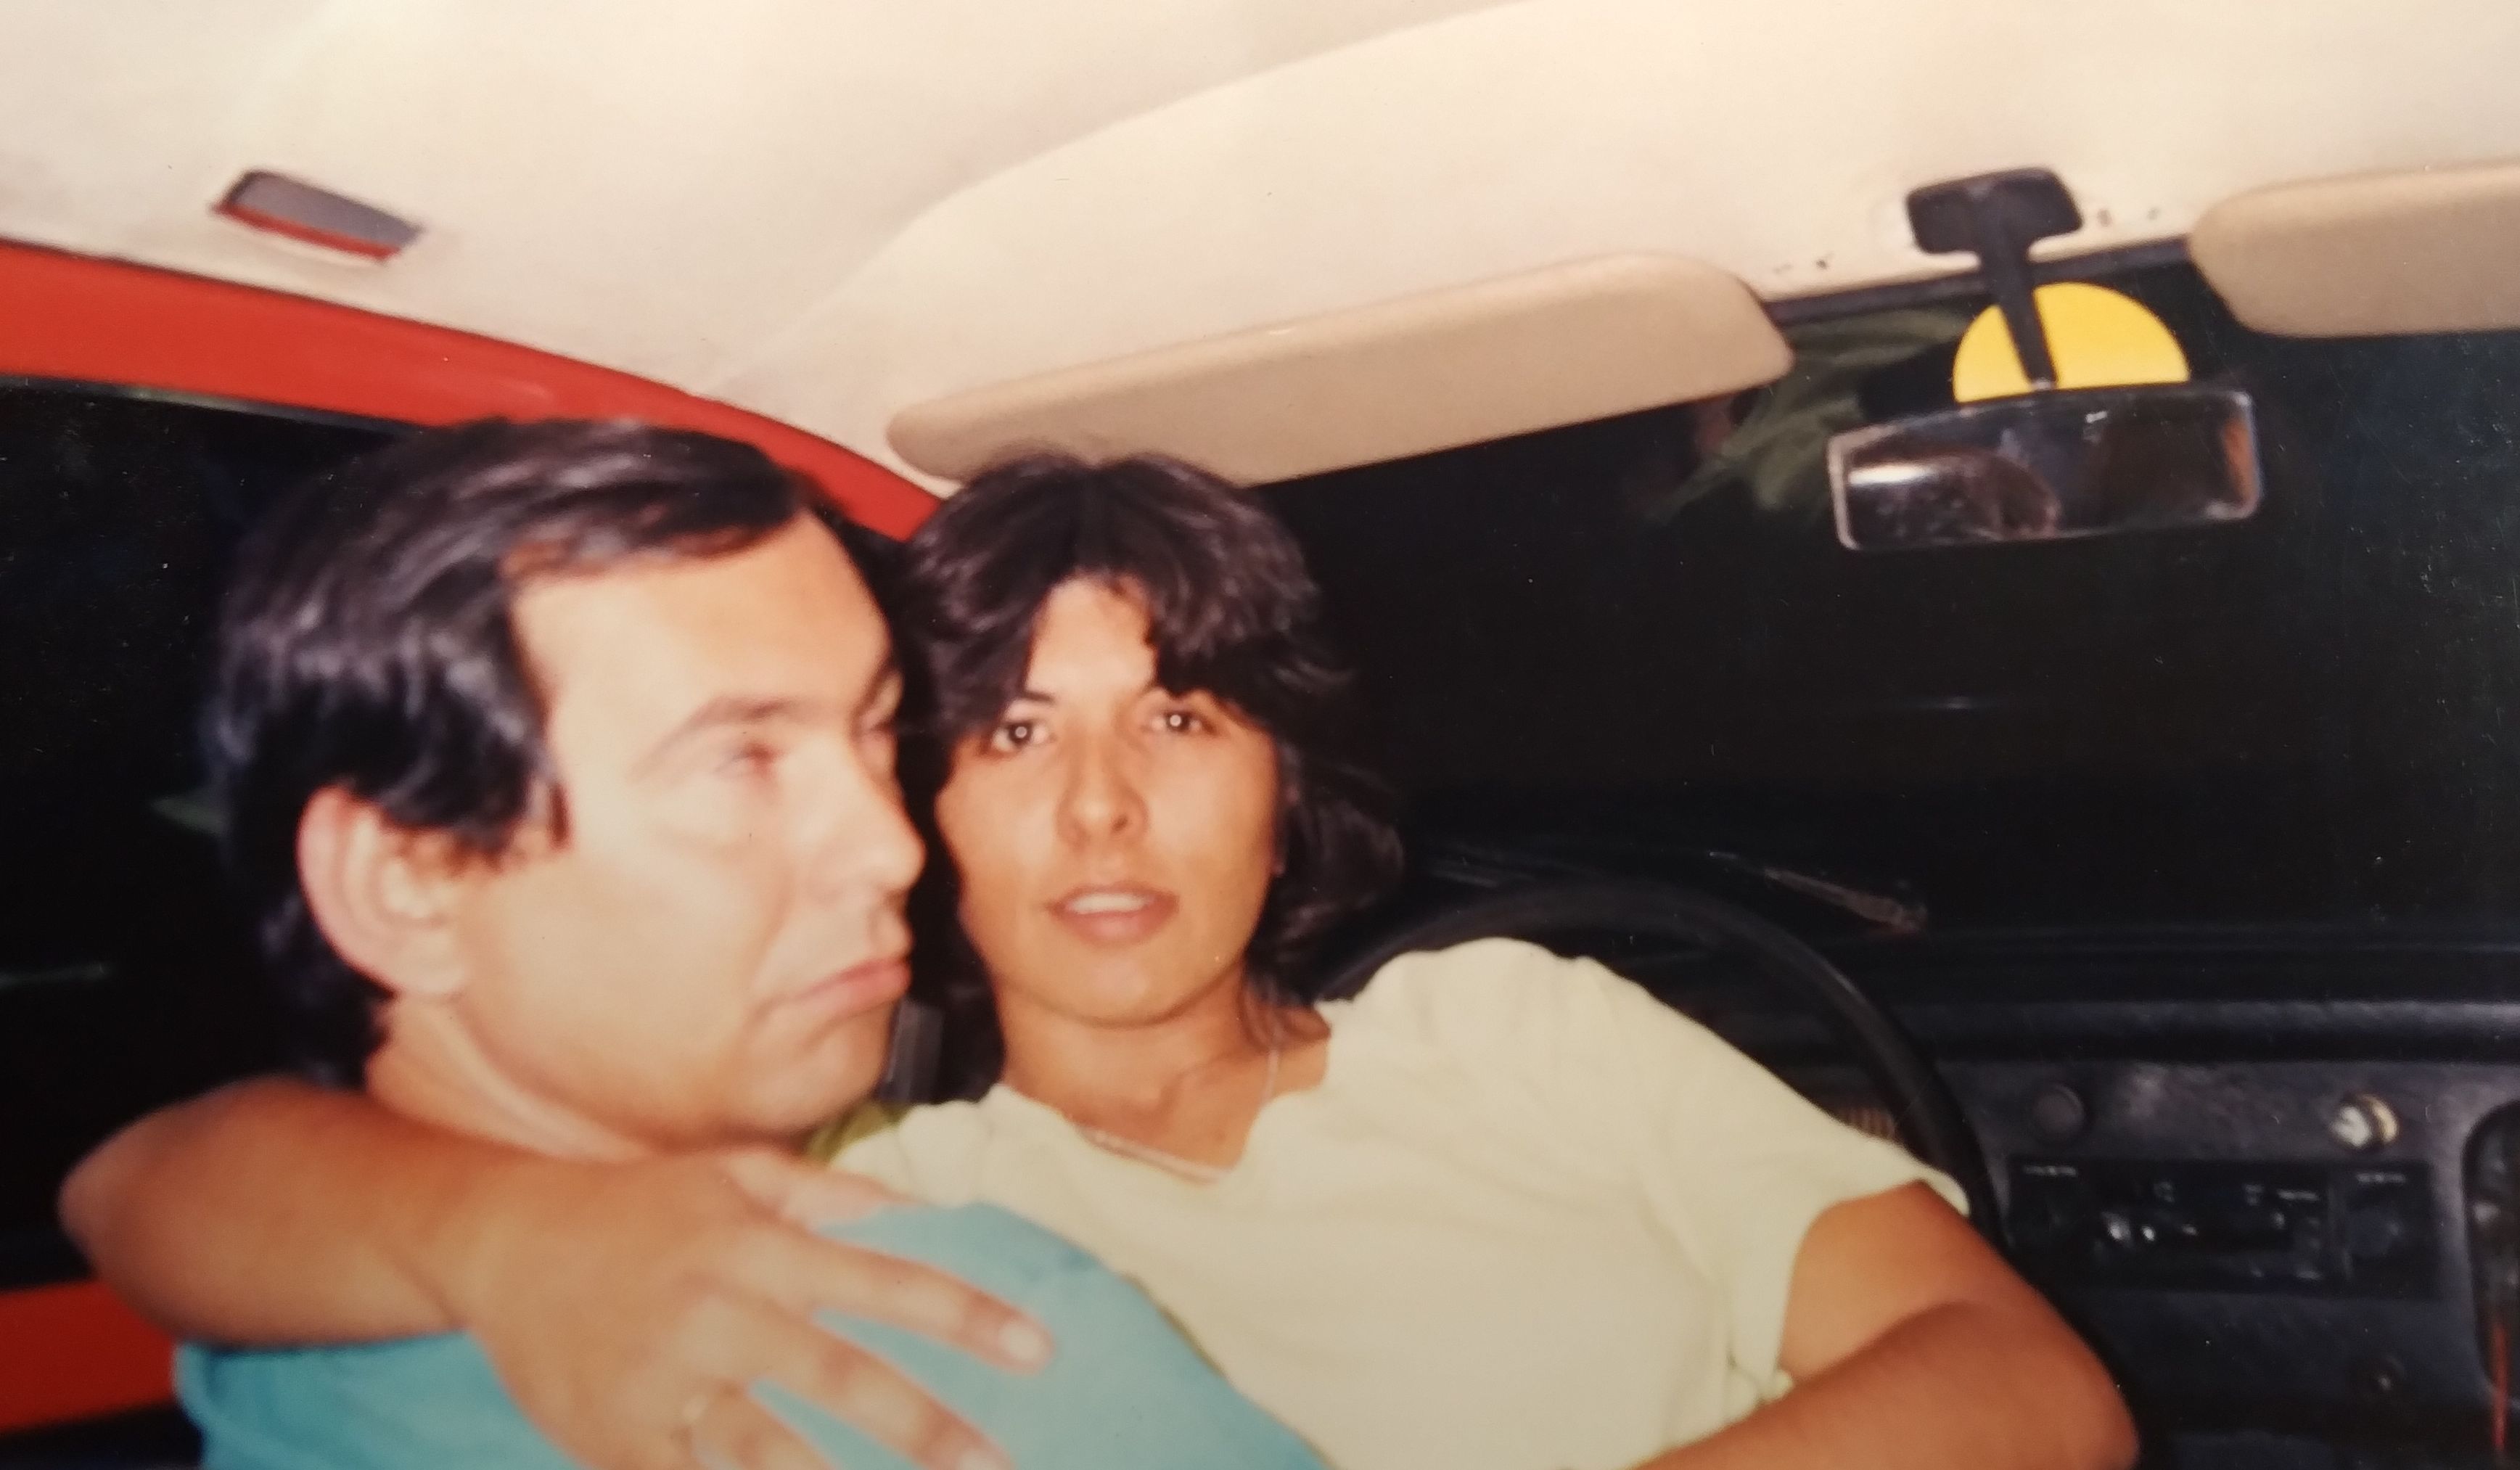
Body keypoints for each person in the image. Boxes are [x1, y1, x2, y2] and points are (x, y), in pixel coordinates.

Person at [67, 451, 2138, 1470]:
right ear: (927, 805)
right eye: (1010, 735)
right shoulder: (858, 1179)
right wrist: (505, 1236)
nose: (1101, 811)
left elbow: (2031, 1388)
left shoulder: (1516, 1028)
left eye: (1179, 717)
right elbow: (149, 1188)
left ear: (1280, 781)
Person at [61, 422, 1326, 1470]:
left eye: (876, 733)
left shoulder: (292, 1321)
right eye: (740, 758)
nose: (891, 845)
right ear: (406, 880)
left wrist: (488, 1233)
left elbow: (125, 1184)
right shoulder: (971, 1338)